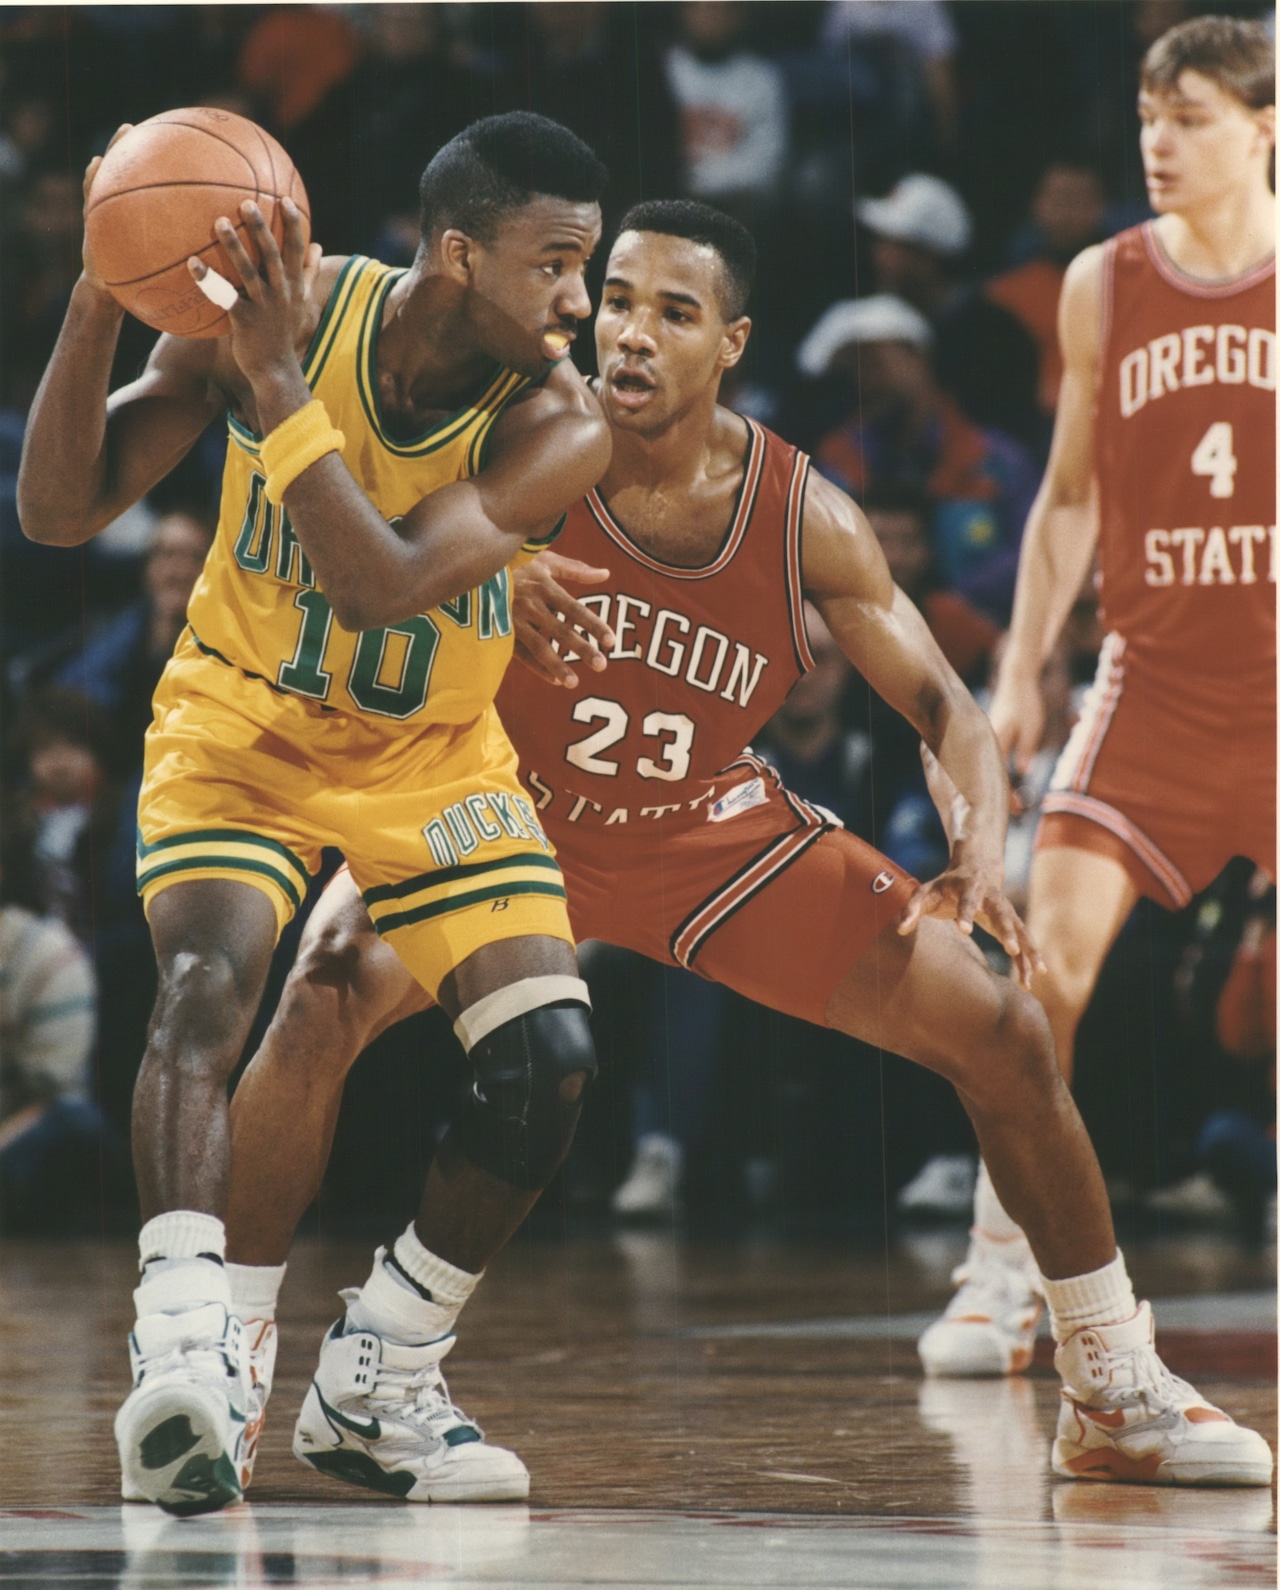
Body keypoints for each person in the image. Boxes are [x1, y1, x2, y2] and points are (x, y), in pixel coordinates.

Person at [220, 201, 1271, 1497]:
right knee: (320, 990)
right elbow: (361, 559)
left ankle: (1110, 1381)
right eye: (615, 300)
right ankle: (220, 1351)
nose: (631, 334)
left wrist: (978, 843)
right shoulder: (520, 433)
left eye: (672, 312)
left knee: (1004, 1026)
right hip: (495, 809)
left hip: (695, 832)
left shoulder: (798, 509)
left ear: (733, 341)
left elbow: (947, 709)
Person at [18, 111, 611, 1515]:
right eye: (558, 264)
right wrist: (106, 287)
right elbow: (56, 510)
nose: (578, 302)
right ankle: (189, 1352)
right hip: (245, 719)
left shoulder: (558, 418)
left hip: (433, 752)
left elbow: (387, 583)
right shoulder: (291, 312)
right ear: (458, 252)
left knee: (550, 1061)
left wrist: (278, 391)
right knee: (204, 987)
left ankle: (379, 1376)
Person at [917, 16, 1276, 1382]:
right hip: (1155, 683)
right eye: (1147, 115)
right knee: (1036, 978)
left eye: (1188, 116)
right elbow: (1067, 495)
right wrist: (1021, 663)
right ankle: (1002, 1275)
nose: (1158, 142)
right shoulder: (1103, 281)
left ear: (1264, 127)